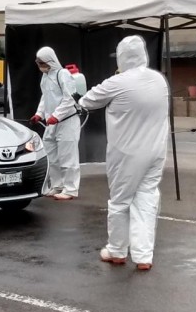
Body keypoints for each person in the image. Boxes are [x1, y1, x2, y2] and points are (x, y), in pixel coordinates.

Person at [77, 36, 169, 271]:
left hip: (126, 154)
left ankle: (117, 251)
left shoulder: (117, 82)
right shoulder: (159, 80)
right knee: (147, 199)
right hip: (156, 151)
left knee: (120, 201)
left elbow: (87, 101)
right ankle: (143, 256)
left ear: (122, 57)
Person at [30, 47, 81, 201]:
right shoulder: (45, 77)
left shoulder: (63, 74)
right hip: (51, 123)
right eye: (38, 62)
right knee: (51, 156)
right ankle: (57, 185)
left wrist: (57, 116)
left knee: (67, 156)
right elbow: (45, 98)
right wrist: (39, 114)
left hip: (67, 121)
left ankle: (70, 189)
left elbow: (70, 98)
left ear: (50, 61)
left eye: (42, 62)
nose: (39, 65)